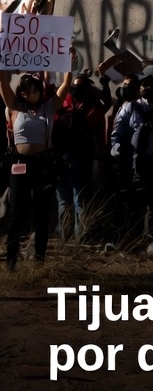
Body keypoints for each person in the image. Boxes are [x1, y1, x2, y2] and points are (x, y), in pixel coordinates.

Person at [1, 61, 73, 270]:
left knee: (42, 213)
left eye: (37, 89)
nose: (34, 93)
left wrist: (67, 62)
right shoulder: (14, 107)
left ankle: (39, 260)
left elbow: (65, 86)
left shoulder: (48, 107)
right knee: (17, 213)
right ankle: (11, 261)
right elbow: (2, 83)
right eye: (30, 90)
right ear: (23, 92)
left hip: (42, 164)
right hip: (20, 164)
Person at [110, 72, 153, 246]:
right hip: (135, 161)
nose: (147, 88)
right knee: (136, 201)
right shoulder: (131, 107)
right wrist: (115, 145)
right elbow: (118, 127)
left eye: (151, 84)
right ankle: (133, 237)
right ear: (139, 87)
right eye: (144, 84)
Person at [53, 70, 108, 241]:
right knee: (71, 198)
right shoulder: (71, 105)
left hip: (74, 156)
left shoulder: (86, 106)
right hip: (69, 156)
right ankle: (71, 235)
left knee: (75, 198)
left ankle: (73, 235)